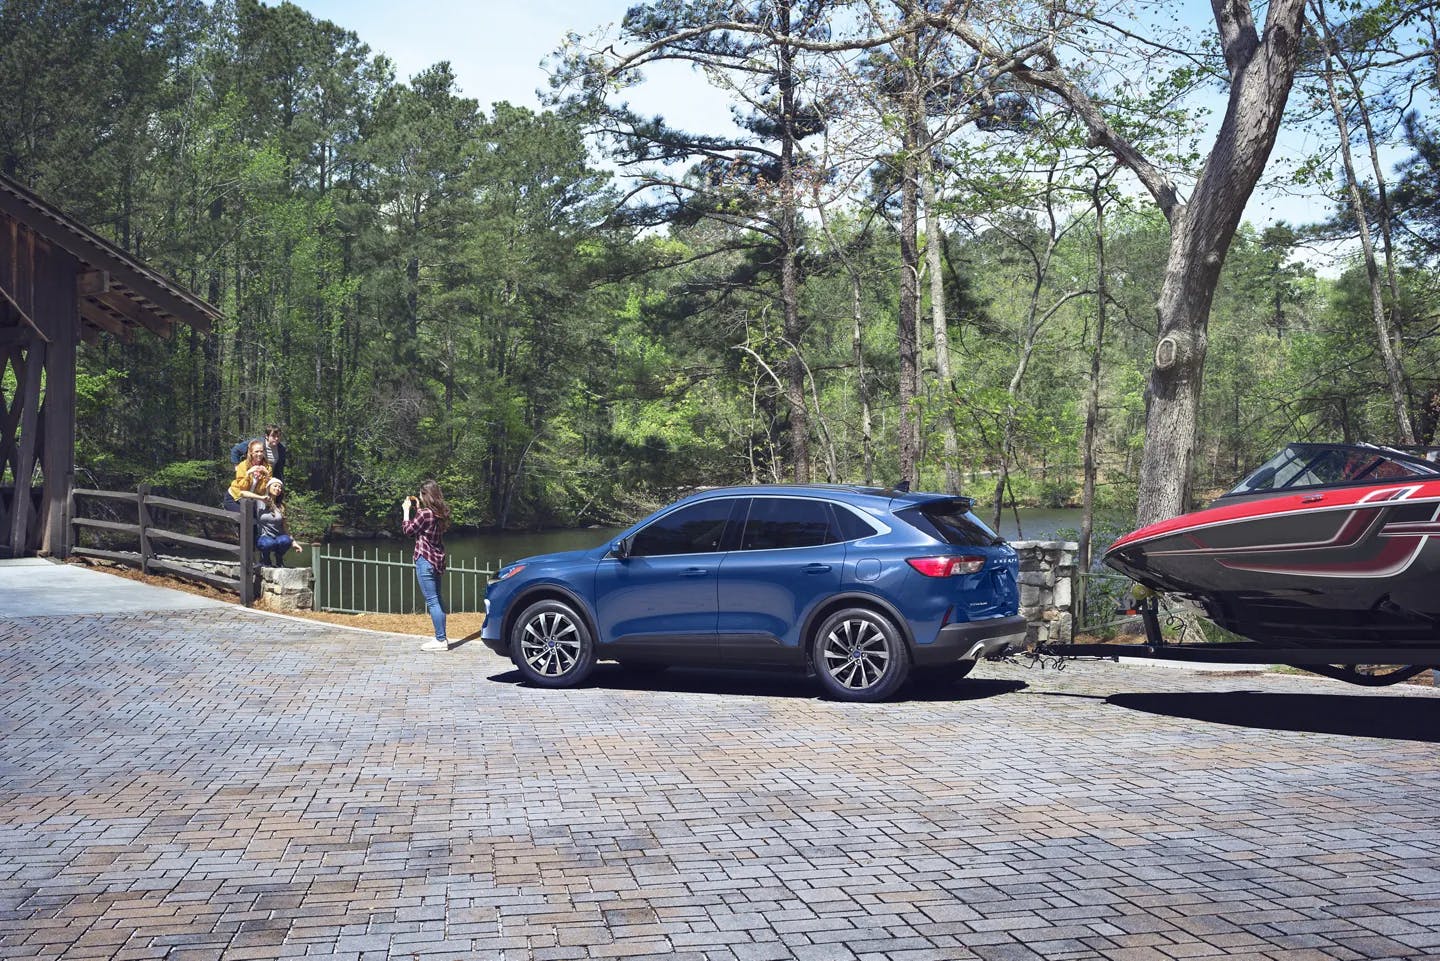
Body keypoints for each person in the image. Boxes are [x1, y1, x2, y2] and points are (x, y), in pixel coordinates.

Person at [402, 480, 451, 653]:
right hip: (437, 559)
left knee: (432, 601)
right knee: (437, 599)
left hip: (425, 559)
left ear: (425, 495)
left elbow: (408, 530)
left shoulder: (424, 514)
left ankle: (440, 639)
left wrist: (406, 511)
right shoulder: (440, 513)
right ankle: (441, 637)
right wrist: (417, 509)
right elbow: (424, 526)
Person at [255, 479, 300, 567]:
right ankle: (265, 560)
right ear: (268, 487)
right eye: (275, 486)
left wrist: (293, 542)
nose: (278, 489)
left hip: (278, 537)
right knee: (269, 543)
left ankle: (279, 559)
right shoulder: (259, 502)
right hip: (264, 537)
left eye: (280, 487)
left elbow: (285, 527)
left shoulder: (281, 506)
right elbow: (242, 494)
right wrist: (261, 498)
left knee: (286, 540)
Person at [224, 439, 271, 512]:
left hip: (250, 500)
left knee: (253, 518)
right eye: (256, 451)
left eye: (261, 451)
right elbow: (242, 488)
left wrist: (267, 475)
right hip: (235, 497)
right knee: (244, 517)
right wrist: (248, 473)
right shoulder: (243, 465)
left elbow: (262, 491)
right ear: (251, 452)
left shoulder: (267, 467)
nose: (259, 454)